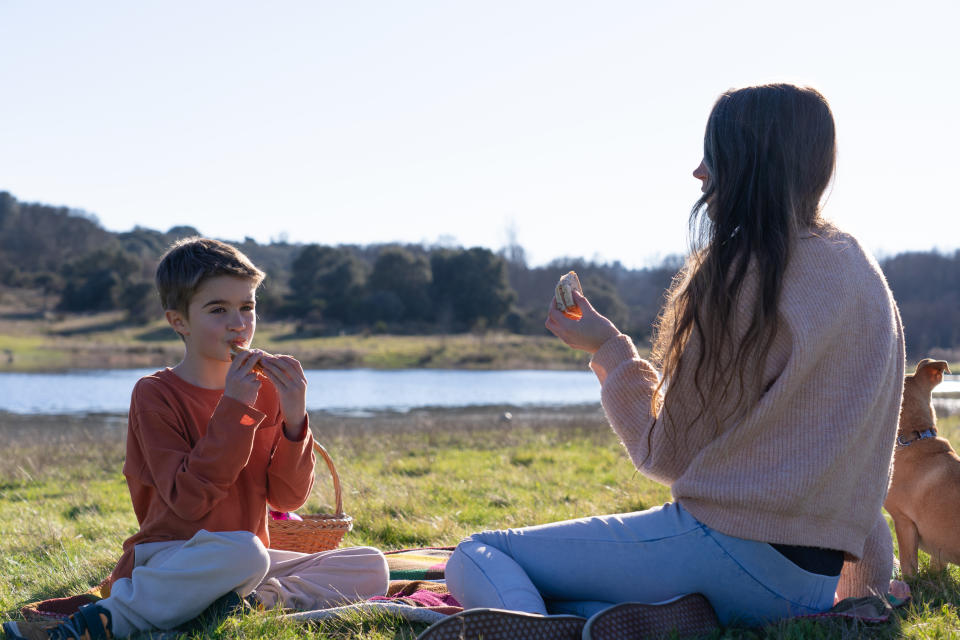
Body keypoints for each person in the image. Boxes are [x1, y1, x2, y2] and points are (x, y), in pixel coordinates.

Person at [429, 84, 905, 638]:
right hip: (808, 583)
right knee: (578, 583)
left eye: (714, 154)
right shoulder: (865, 276)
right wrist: (866, 587)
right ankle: (651, 619)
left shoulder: (743, 274)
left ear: (748, 162)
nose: (699, 173)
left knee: (477, 553)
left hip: (723, 551)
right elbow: (863, 456)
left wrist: (608, 350)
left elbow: (667, 455)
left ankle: (541, 629)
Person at [4, 238, 389, 640]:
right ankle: (105, 621)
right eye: (218, 310)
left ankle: (247, 605)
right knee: (244, 551)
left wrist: (295, 418)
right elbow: (189, 501)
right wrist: (235, 409)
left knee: (369, 565)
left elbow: (289, 499)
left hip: (246, 565)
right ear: (179, 322)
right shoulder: (155, 394)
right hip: (171, 558)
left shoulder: (269, 391)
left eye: (247, 307)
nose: (238, 324)